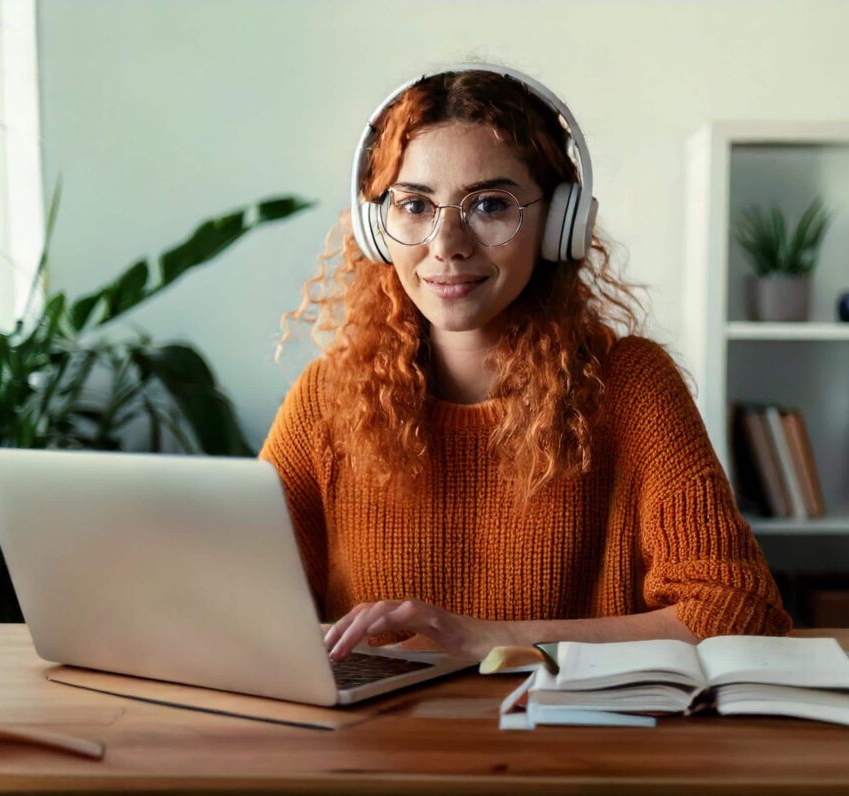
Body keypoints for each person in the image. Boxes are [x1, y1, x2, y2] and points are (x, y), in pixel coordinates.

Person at [260, 63, 790, 664]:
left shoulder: (632, 386)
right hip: (376, 746)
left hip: (576, 744)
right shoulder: (326, 400)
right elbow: (241, 604)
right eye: (414, 204)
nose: (446, 244)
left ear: (558, 223)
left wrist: (495, 636)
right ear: (377, 227)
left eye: (489, 204)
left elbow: (739, 610)